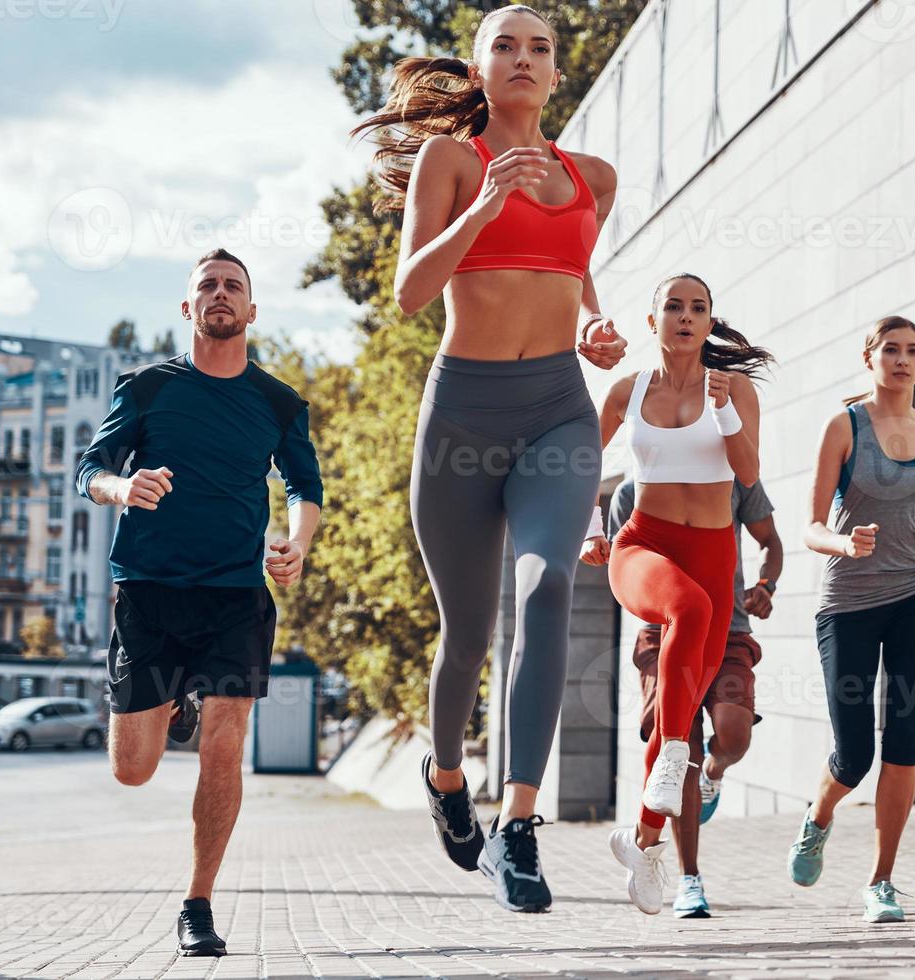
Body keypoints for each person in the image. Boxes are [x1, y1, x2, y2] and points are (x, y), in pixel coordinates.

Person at [352, 3, 627, 913]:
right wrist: (485, 204)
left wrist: (593, 322)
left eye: (538, 48)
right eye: (503, 46)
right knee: (466, 634)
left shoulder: (593, 176)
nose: (522, 58)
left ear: (558, 74)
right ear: (478, 73)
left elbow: (578, 271)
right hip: (464, 414)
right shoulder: (451, 161)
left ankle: (519, 825)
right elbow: (408, 292)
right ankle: (444, 778)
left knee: (547, 585)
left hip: (557, 408)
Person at [76, 249, 323, 958]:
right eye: (206, 286)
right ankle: (165, 702)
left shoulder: (277, 402)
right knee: (133, 769)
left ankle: (198, 903)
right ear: (188, 310)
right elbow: (90, 469)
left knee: (224, 747)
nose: (220, 294)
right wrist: (122, 489)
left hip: (235, 595)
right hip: (150, 592)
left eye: (233, 286)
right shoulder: (147, 387)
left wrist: (297, 543)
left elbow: (305, 487)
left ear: (251, 311)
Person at [787, 316, 915, 924]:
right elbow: (811, 526)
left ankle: (881, 881)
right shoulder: (843, 427)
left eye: (913, 351)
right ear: (869, 358)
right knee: (853, 756)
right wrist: (844, 545)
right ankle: (818, 819)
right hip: (848, 604)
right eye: (891, 350)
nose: (903, 359)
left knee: (903, 741)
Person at [584, 273, 769, 915]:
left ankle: (645, 844)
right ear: (651, 319)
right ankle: (674, 755)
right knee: (686, 615)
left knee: (689, 693)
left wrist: (722, 408)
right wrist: (589, 528)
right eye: (673, 306)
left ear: (711, 321)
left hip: (715, 554)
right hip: (645, 546)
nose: (686, 317)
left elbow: (747, 473)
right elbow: (578, 460)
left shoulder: (735, 387)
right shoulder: (626, 391)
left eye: (698, 308)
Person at [596, 473, 783, 917]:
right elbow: (626, 569)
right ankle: (689, 879)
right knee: (680, 750)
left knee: (734, 735)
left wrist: (765, 585)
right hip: (662, 634)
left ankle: (713, 773)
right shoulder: (629, 493)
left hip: (730, 627)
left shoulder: (735, 479)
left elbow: (771, 541)